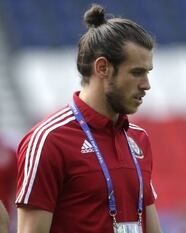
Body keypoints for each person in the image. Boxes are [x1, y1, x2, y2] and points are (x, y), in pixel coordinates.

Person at [16, 4, 162, 233]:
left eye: (147, 72)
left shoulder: (139, 139)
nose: (146, 85)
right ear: (102, 67)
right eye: (136, 73)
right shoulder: (49, 140)